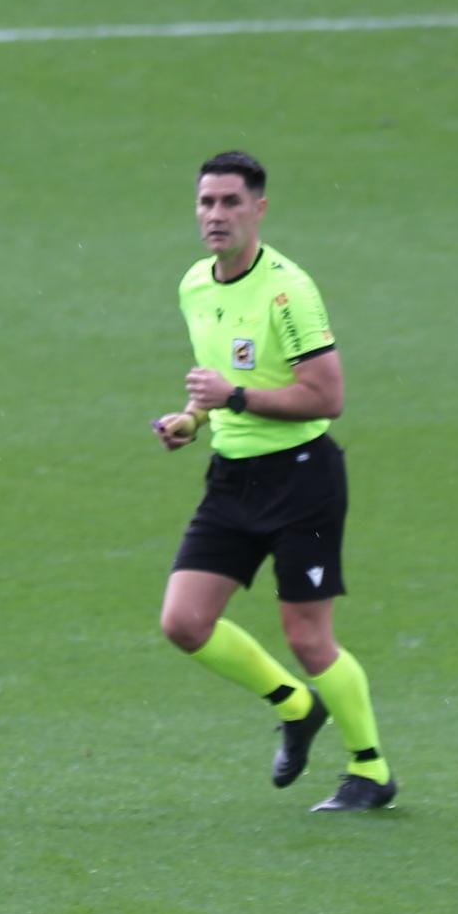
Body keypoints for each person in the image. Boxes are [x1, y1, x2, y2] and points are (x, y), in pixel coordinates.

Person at [153, 151, 396, 811]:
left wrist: (232, 398)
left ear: (259, 208)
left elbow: (326, 397)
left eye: (231, 202)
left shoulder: (288, 291)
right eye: (206, 202)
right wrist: (192, 418)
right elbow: (219, 382)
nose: (216, 215)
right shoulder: (195, 285)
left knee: (308, 637)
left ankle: (370, 771)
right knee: (183, 622)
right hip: (232, 481)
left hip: (301, 481)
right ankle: (295, 707)